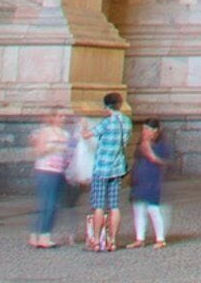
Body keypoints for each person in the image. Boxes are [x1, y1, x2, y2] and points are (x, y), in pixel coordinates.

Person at [82, 90, 132, 253]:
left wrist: (83, 127)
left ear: (106, 106)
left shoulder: (107, 122)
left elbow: (88, 135)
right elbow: (125, 142)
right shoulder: (127, 122)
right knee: (114, 206)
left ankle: (97, 240)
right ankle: (113, 241)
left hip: (102, 167)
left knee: (98, 206)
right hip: (117, 168)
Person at [27, 106, 76, 249]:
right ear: (53, 117)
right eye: (59, 116)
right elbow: (39, 151)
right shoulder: (45, 132)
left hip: (59, 171)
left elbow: (69, 153)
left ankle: (40, 233)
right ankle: (42, 235)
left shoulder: (66, 134)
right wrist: (54, 148)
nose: (63, 119)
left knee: (53, 203)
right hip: (45, 169)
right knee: (47, 203)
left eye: (63, 116)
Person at [126, 117, 173, 247]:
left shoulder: (161, 145)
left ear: (155, 131)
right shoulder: (141, 143)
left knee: (153, 209)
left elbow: (164, 161)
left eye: (147, 129)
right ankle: (139, 238)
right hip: (140, 180)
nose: (145, 132)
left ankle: (160, 239)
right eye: (144, 129)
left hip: (152, 180)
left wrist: (150, 152)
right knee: (138, 209)